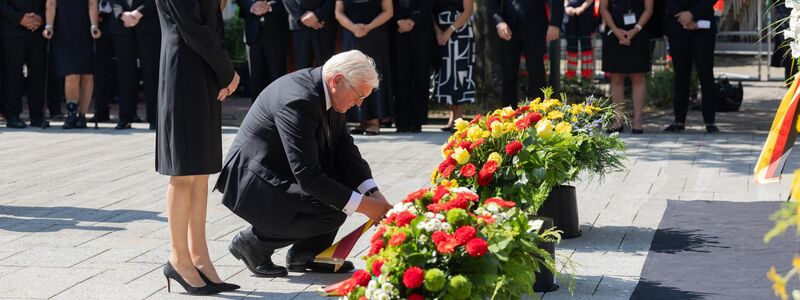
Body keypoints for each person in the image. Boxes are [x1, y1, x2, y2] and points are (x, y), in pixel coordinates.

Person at [215, 50, 393, 278]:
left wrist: (373, 194)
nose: (359, 105)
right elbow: (308, 177)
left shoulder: (327, 90)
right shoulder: (299, 100)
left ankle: (306, 254)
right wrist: (366, 206)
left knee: (340, 193)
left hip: (278, 170)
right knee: (334, 207)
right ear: (337, 80)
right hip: (253, 181)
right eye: (359, 95)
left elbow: (346, 152)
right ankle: (253, 243)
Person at [154, 0, 241, 295]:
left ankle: (199, 257)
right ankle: (178, 258)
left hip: (203, 70)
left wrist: (220, 71)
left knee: (201, 170)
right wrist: (227, 71)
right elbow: (191, 27)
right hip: (183, 70)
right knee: (183, 172)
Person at [489, 0, 563, 109]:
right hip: (508, 28)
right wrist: (499, 22)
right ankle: (508, 118)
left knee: (537, 75)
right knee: (508, 75)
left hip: (535, 26)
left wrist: (555, 24)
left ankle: (540, 116)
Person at [336, 0, 393, 135]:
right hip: (351, 35)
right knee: (352, 76)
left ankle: (374, 121)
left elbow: (388, 11)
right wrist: (353, 27)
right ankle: (361, 121)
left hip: (375, 35)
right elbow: (338, 13)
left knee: (373, 75)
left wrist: (368, 27)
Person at [43, 0, 102, 129]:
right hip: (64, 28)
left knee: (87, 75)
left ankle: (82, 115)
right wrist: (49, 26)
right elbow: (51, 3)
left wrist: (94, 26)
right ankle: (72, 113)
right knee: (71, 74)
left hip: (85, 28)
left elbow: (92, 3)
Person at [663, 0, 718, 133]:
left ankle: (710, 121)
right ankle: (679, 120)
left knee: (706, 75)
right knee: (681, 76)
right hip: (678, 27)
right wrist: (682, 17)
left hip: (703, 28)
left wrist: (692, 14)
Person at [600, 0, 653, 134]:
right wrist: (615, 30)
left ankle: (637, 121)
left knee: (638, 76)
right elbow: (603, 8)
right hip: (613, 33)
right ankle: (618, 120)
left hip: (639, 33)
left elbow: (649, 9)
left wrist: (636, 29)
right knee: (616, 77)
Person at [108, 0, 161, 130]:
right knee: (125, 75)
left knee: (151, 74)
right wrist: (121, 15)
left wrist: (139, 12)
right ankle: (126, 117)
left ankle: (154, 118)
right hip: (122, 28)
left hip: (148, 26)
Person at [0, 0, 47, 128]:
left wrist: (41, 18)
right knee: (13, 74)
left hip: (37, 31)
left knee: (38, 74)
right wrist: (19, 18)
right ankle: (12, 115)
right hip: (12, 29)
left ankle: (37, 115)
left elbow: (50, 3)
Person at [390, 0, 434, 133]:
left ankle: (417, 122)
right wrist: (398, 20)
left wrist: (412, 20)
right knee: (400, 76)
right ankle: (401, 121)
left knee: (421, 77)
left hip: (422, 31)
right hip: (397, 31)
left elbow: (427, 4)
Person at [432, 0, 475, 132]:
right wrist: (438, 32)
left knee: (460, 73)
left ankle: (459, 117)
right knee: (448, 73)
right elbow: (431, 12)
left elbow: (468, 11)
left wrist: (449, 31)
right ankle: (452, 117)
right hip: (441, 34)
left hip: (461, 33)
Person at [237, 0, 289, 102]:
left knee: (277, 78)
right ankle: (257, 116)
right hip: (252, 33)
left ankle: (279, 115)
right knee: (256, 81)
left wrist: (269, 6)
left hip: (277, 31)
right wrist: (251, 5)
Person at [284, 0, 336, 69]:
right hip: (299, 26)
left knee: (326, 67)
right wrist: (301, 15)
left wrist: (318, 14)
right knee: (302, 68)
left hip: (324, 23)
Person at [88, 0, 114, 123]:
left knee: (126, 68)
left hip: (118, 18)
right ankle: (101, 110)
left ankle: (129, 113)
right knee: (99, 70)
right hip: (95, 22)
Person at [564, 0, 596, 80]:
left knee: (586, 44)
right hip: (569, 13)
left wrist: (582, 7)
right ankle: (570, 75)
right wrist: (566, 7)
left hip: (586, 13)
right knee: (571, 45)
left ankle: (587, 75)